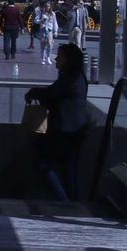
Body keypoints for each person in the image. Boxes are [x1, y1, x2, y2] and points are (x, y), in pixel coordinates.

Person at [25, 43, 89, 206]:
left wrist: (33, 92)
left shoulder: (69, 79)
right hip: (75, 129)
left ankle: (64, 199)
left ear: (68, 59)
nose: (56, 59)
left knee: (42, 160)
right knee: (70, 167)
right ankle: (72, 200)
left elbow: (51, 94)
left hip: (66, 130)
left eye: (60, 57)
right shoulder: (77, 76)